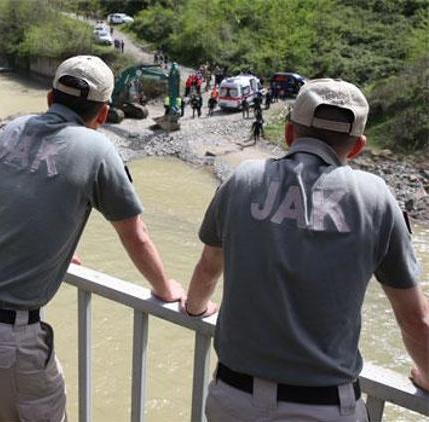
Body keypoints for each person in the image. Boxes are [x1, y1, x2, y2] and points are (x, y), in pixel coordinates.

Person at [0, 55, 184, 421]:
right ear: (103, 113)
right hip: (2, 339)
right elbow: (136, 234)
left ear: (50, 99)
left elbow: (2, 206)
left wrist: (55, 250)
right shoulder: (98, 150)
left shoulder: (13, 130)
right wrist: (165, 287)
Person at [184, 79, 429, 421]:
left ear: (288, 133)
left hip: (234, 400)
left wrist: (194, 309)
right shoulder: (375, 198)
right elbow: (413, 317)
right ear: (356, 147)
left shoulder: (243, 180)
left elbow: (208, 269)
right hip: (326, 407)